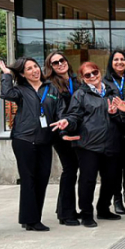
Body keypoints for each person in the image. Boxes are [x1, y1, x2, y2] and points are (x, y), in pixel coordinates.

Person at [50, 62, 125, 228]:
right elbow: (74, 116)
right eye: (88, 75)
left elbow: (123, 119)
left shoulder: (112, 91)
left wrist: (116, 114)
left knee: (110, 179)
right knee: (88, 181)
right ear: (83, 78)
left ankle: (103, 209)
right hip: (88, 145)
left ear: (99, 72)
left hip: (111, 143)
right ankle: (86, 213)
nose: (93, 76)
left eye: (95, 72)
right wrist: (67, 122)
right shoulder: (80, 94)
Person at [0, 57, 58, 231]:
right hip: (24, 139)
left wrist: (65, 122)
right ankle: (31, 220)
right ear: (23, 74)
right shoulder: (20, 90)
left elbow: (59, 109)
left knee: (42, 178)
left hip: (45, 140)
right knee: (28, 179)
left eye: (35, 66)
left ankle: (31, 217)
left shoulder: (51, 88)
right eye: (29, 69)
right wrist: (7, 76)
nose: (34, 70)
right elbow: (6, 94)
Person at [43, 51, 82, 226]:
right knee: (70, 169)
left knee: (73, 170)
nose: (60, 64)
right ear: (50, 67)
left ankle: (66, 209)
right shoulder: (51, 85)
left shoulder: (77, 81)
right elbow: (55, 111)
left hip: (78, 131)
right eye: (55, 63)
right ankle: (66, 213)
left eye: (62, 60)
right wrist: (63, 133)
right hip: (62, 134)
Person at [106, 50, 125, 215]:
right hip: (114, 128)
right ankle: (117, 199)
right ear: (111, 62)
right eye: (116, 59)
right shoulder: (106, 82)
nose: (119, 62)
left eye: (122, 59)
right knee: (116, 167)